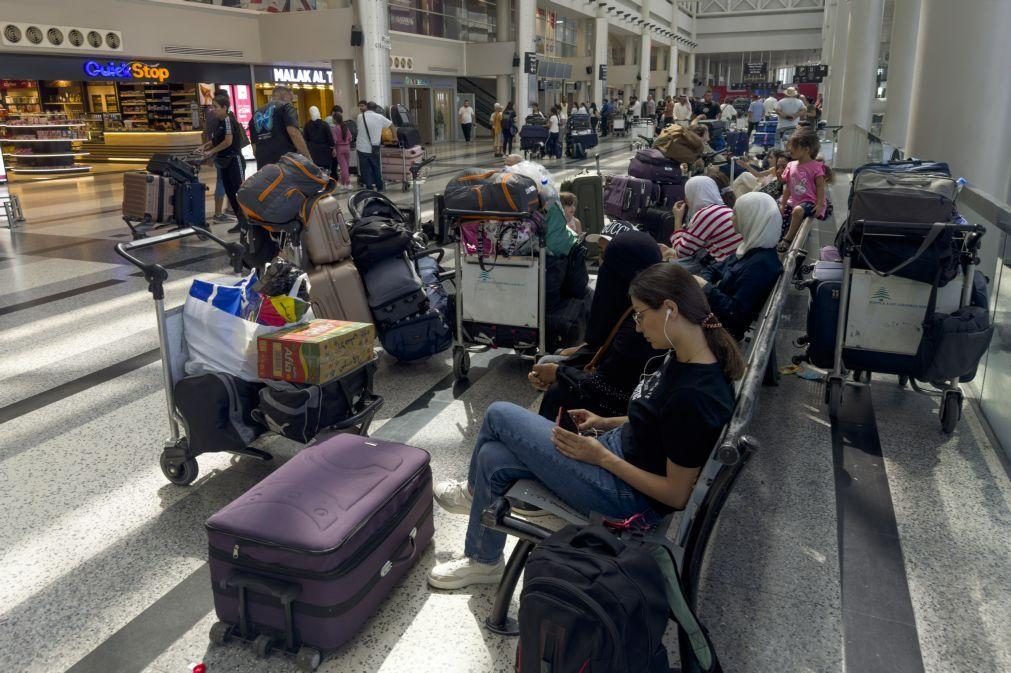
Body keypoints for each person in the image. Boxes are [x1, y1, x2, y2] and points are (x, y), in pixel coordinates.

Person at [427, 262, 742, 589]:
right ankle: (484, 561)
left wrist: (601, 457)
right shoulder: (685, 354)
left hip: (626, 499)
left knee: (498, 414)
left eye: (639, 314)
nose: (637, 326)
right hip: (616, 457)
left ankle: (471, 494)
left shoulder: (695, 395)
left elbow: (675, 495)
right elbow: (658, 423)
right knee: (492, 458)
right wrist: (605, 422)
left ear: (670, 310)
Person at [530, 227, 665, 420]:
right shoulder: (636, 308)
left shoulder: (639, 325)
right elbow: (600, 346)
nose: (601, 264)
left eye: (605, 257)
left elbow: (608, 387)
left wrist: (560, 372)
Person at [697, 192, 784, 340]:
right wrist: (703, 283)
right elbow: (714, 268)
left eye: (736, 214)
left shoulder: (761, 265)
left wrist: (705, 287)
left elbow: (735, 313)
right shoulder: (749, 248)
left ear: (751, 219)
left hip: (720, 333)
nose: (731, 218)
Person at [664, 175, 743, 267]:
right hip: (737, 263)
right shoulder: (723, 209)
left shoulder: (706, 214)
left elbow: (681, 252)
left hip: (727, 267)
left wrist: (678, 219)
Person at [201, 93, 248, 235]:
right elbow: (217, 139)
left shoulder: (228, 120)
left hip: (234, 160)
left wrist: (211, 152)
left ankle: (248, 222)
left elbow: (228, 141)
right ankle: (241, 222)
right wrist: (205, 146)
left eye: (215, 107)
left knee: (240, 192)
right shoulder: (220, 122)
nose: (213, 110)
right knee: (230, 192)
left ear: (224, 107)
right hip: (224, 162)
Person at [779, 131, 833, 251]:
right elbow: (788, 186)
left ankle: (787, 239)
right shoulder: (791, 165)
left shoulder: (816, 166)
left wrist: (819, 204)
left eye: (794, 146)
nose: (789, 149)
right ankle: (782, 239)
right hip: (794, 200)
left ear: (807, 149)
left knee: (797, 211)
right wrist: (782, 204)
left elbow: (820, 187)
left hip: (810, 201)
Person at [247, 85, 310, 168]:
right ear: (285, 96)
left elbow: (254, 147)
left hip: (263, 166)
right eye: (291, 99)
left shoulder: (256, 114)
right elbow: (293, 133)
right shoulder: (286, 107)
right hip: (285, 164)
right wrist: (308, 159)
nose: (291, 102)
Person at [202, 88, 233, 225]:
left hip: (217, 152)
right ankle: (219, 213)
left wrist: (208, 150)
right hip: (226, 154)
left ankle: (225, 210)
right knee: (225, 181)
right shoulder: (225, 117)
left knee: (224, 180)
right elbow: (227, 140)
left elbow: (205, 133)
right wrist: (211, 151)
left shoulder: (209, 114)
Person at [356, 101, 393, 192]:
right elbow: (392, 125)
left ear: (367, 107)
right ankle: (379, 187)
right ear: (376, 108)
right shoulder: (380, 117)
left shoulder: (360, 117)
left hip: (362, 148)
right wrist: (395, 138)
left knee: (365, 169)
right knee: (376, 167)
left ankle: (369, 187)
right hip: (374, 148)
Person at [302, 105, 335, 173]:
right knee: (325, 170)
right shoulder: (324, 124)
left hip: (312, 150)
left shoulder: (307, 125)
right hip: (324, 150)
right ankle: (325, 182)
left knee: (315, 170)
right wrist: (333, 147)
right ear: (318, 112)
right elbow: (330, 137)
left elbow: (305, 138)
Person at [331, 110, 353, 189]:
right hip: (347, 147)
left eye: (333, 118)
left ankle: (348, 183)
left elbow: (334, 140)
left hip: (339, 148)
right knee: (346, 166)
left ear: (335, 120)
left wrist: (333, 148)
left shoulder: (334, 129)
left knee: (343, 167)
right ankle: (343, 183)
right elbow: (350, 138)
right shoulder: (345, 127)